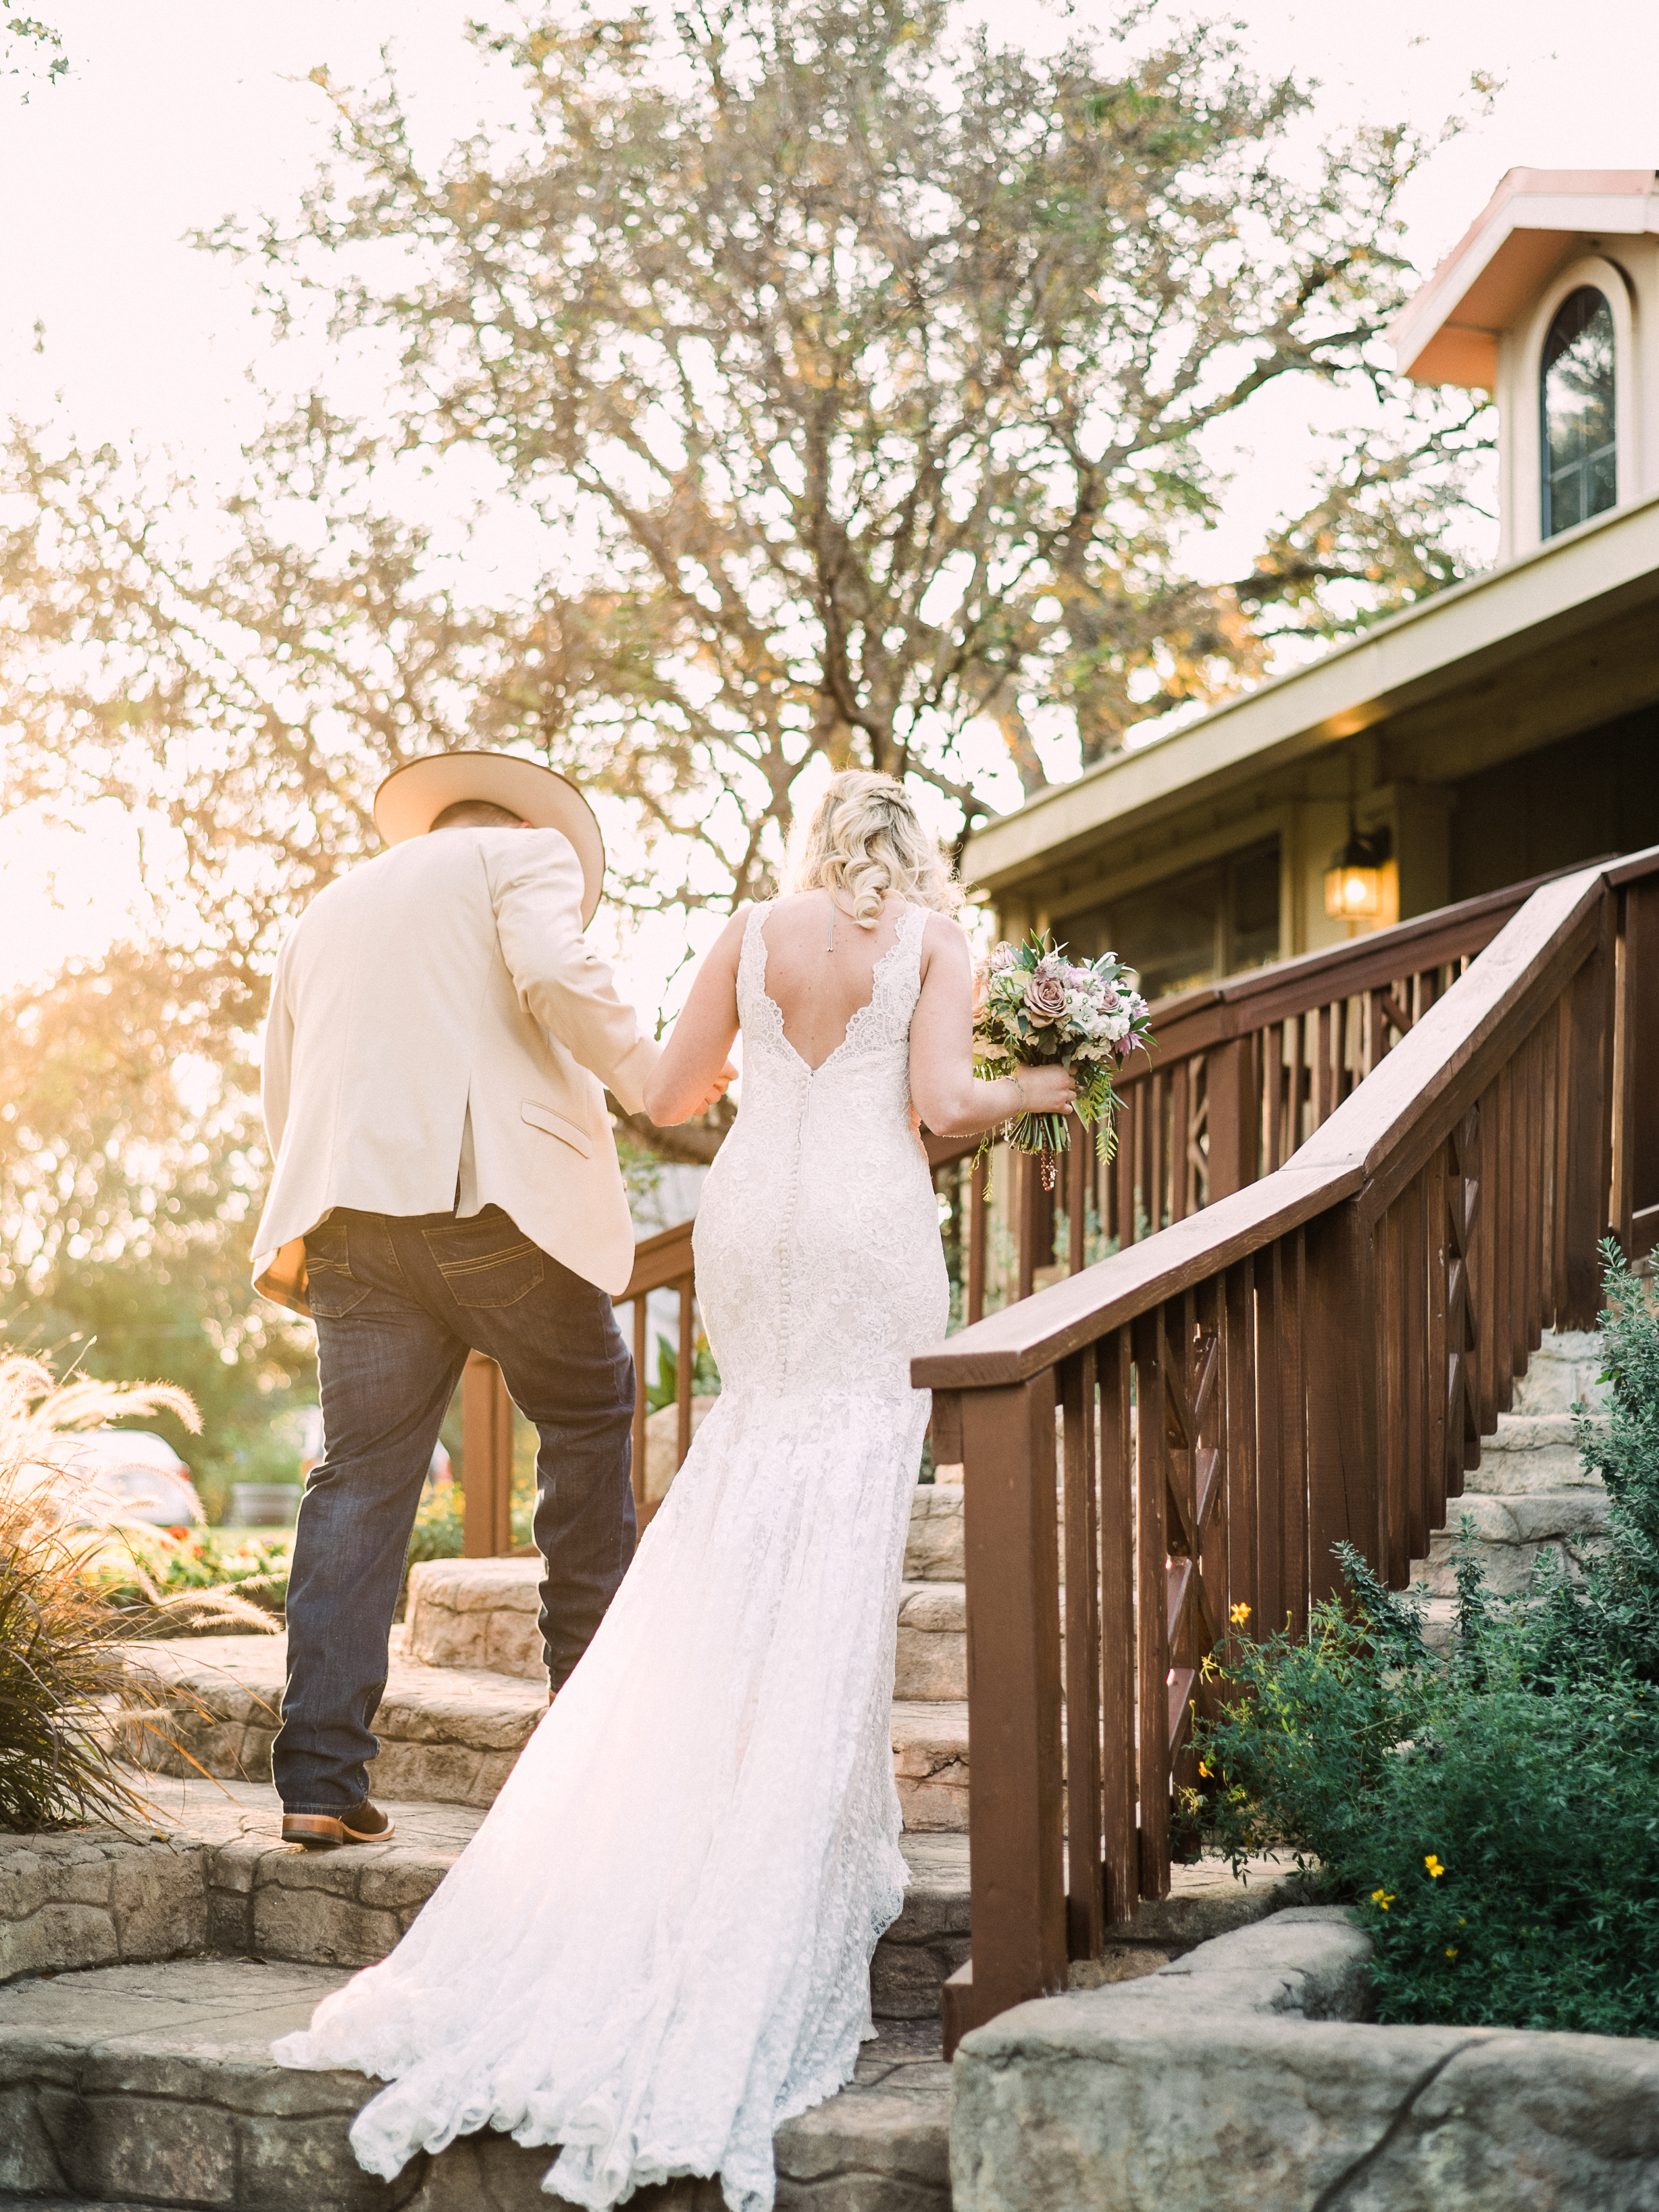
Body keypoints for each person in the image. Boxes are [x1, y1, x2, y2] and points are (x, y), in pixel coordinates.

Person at [272, 770, 1076, 2210]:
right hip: (798, 1214)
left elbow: (665, 1094)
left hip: (703, 1217)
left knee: (688, 1473)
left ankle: (416, 1767)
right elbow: (937, 1101)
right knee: (743, 1471)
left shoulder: (729, 926)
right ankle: (694, 1744)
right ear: (911, 855)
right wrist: (1043, 1084)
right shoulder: (928, 937)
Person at [251, 749, 730, 1851]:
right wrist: (655, 1078)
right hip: (489, 1204)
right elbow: (558, 975)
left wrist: (339, 1196)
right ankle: (585, 1727)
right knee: (587, 1416)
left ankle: (320, 1780)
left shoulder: (325, 909)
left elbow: (285, 1085)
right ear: (516, 821)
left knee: (358, 1482)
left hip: (346, 1217)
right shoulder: (527, 855)